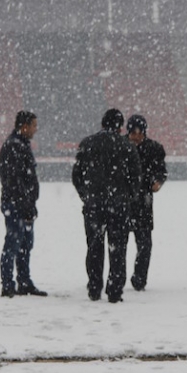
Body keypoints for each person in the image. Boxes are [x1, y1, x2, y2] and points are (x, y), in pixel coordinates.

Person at [72, 109, 141, 303]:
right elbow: (135, 177)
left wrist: (86, 196)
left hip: (94, 205)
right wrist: (128, 196)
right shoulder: (127, 146)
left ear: (103, 123)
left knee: (94, 246)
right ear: (120, 127)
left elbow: (76, 176)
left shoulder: (87, 144)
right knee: (118, 248)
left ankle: (94, 287)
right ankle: (115, 289)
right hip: (118, 206)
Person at [0, 111, 47, 298]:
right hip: (15, 204)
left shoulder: (20, 145)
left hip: (22, 204)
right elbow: (14, 180)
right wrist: (25, 203)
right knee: (13, 243)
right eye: (34, 125)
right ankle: (8, 284)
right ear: (24, 126)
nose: (36, 129)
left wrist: (29, 202)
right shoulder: (13, 147)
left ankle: (24, 282)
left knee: (25, 243)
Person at [125, 114, 168, 291]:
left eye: (140, 133)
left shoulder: (154, 149)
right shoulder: (121, 147)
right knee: (118, 244)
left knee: (145, 245)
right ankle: (116, 277)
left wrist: (158, 181)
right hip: (123, 202)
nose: (136, 137)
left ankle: (139, 278)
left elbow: (161, 171)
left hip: (143, 202)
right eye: (133, 133)